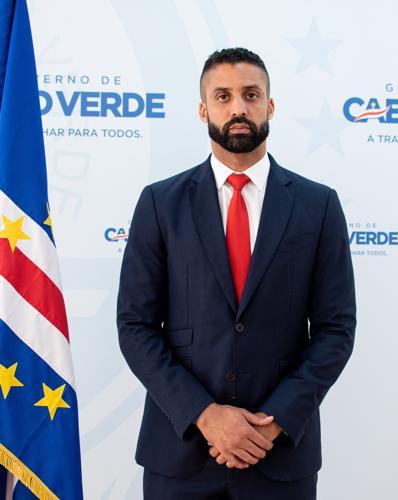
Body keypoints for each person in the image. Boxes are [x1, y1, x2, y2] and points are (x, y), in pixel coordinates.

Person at [117, 47, 356, 500]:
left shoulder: (319, 205)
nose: (238, 108)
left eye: (251, 94)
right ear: (203, 110)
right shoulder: (160, 204)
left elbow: (336, 329)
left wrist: (274, 422)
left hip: (280, 455)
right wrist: (205, 415)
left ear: (270, 105)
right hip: (180, 454)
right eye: (223, 96)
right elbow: (135, 326)